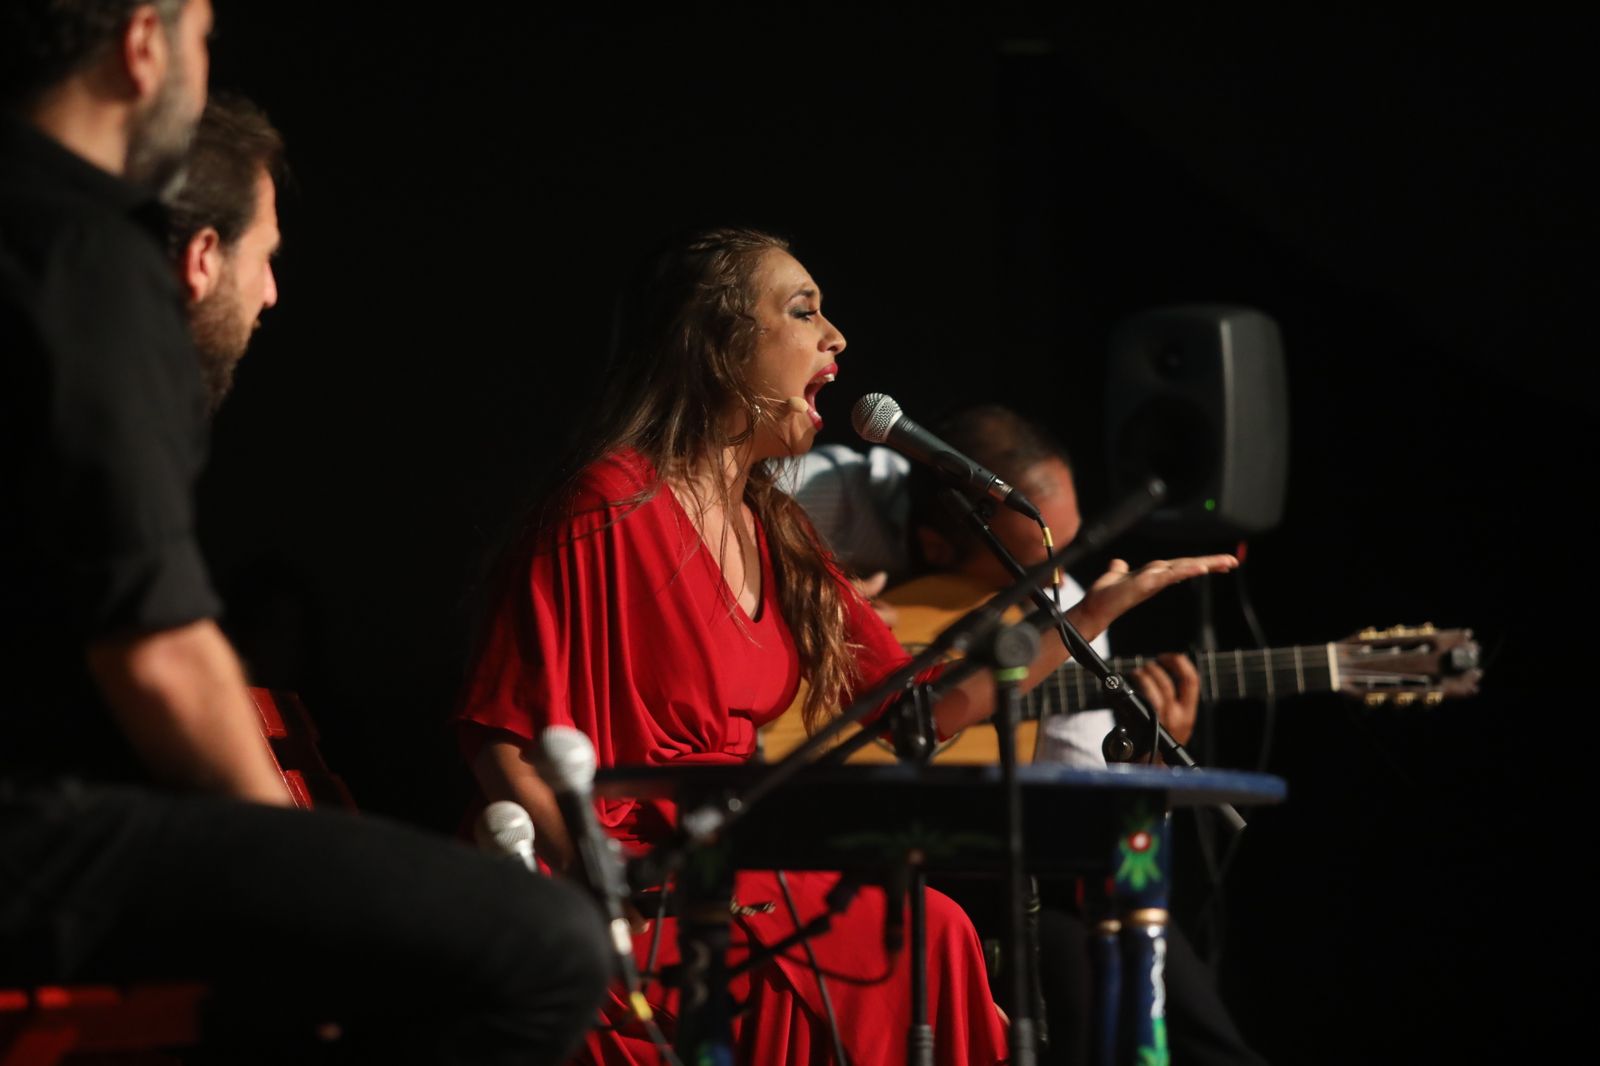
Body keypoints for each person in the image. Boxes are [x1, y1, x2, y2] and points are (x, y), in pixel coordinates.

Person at [455, 226, 1238, 1064]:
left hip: (741, 857)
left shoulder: (776, 526)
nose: (836, 337)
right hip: (628, 878)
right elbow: (506, 745)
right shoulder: (609, 504)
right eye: (804, 311)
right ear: (717, 346)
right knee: (907, 942)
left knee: (936, 929)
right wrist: (607, 892)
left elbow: (920, 714)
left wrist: (1091, 615)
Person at [0, 6, 608, 1063]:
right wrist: (310, 903)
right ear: (143, 46)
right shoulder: (87, 255)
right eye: (202, 34)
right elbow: (159, 657)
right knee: (547, 947)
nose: (274, 292)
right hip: (29, 837)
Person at [786, 406, 1267, 1066]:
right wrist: (822, 611)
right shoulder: (824, 493)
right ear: (937, 548)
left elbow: (1086, 823)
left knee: (1101, 945)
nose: (1060, 578)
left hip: (974, 848)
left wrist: (1146, 763)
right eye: (1038, 562)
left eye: (1067, 548)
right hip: (820, 822)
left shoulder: (1064, 603)